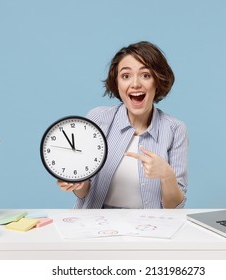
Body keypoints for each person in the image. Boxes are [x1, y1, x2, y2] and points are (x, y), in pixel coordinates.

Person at [57, 41, 188, 209]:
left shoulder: (175, 129)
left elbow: (174, 208)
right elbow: (84, 192)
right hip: (96, 224)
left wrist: (167, 175)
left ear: (158, 81)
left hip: (149, 226)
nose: (135, 84)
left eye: (145, 75)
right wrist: (78, 183)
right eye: (126, 76)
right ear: (117, 84)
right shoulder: (98, 118)